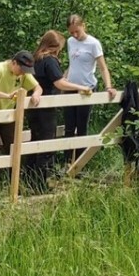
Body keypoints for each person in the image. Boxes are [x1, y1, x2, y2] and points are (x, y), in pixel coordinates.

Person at [27, 29, 93, 180]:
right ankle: (40, 182)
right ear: (55, 46)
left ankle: (28, 178)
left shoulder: (35, 59)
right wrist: (81, 87)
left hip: (33, 106)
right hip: (46, 105)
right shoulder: (49, 60)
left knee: (35, 140)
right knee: (47, 143)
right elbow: (59, 83)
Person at [0, 50, 42, 183]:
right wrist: (7, 96)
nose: (23, 72)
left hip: (8, 115)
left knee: (12, 145)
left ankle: (13, 181)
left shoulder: (23, 74)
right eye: (22, 69)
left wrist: (36, 94)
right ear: (14, 63)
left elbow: (38, 87)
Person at [63, 14, 116, 163]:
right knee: (68, 126)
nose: (74, 35)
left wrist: (108, 87)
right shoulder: (70, 42)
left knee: (81, 126)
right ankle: (67, 162)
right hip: (70, 86)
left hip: (86, 88)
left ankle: (79, 164)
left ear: (83, 26)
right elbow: (72, 64)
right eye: (71, 32)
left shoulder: (93, 43)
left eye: (77, 31)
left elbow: (103, 68)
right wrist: (62, 80)